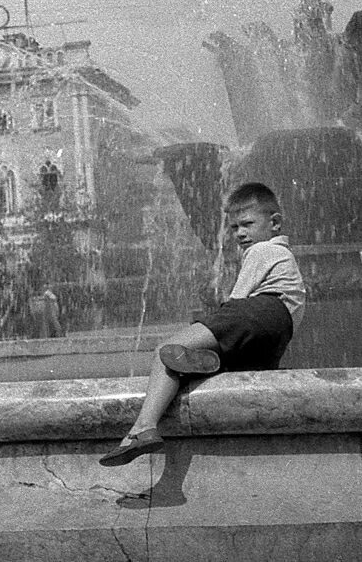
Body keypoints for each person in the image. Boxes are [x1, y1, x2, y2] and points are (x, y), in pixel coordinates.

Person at [100, 182, 306, 466]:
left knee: (167, 349)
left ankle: (142, 428)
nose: (240, 233)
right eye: (234, 228)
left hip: (259, 310)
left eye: (247, 224)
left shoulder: (261, 251)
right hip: (278, 330)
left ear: (275, 223)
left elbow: (237, 300)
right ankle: (211, 361)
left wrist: (209, 323)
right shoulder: (285, 255)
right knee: (194, 365)